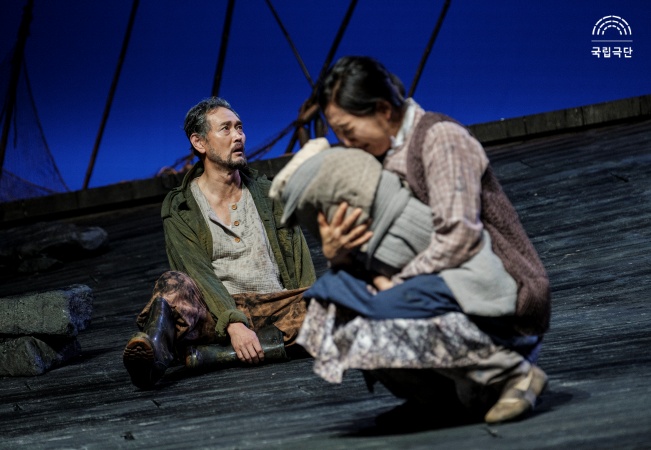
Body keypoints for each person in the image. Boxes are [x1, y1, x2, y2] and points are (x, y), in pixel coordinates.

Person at [295, 56, 551, 426]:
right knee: (332, 297)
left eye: (348, 130)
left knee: (383, 305)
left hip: (491, 285)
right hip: (427, 284)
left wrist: (395, 285)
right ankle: (435, 399)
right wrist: (338, 255)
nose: (346, 143)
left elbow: (459, 238)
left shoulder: (440, 139)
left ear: (383, 110)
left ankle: (511, 372)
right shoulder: (375, 157)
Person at [123, 97, 316, 389]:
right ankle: (153, 356)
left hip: (274, 308)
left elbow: (300, 261)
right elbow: (196, 271)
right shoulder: (181, 206)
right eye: (226, 129)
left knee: (333, 301)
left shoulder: (271, 194)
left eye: (239, 127)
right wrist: (234, 323)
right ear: (199, 142)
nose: (239, 136)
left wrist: (314, 305)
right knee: (172, 284)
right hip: (214, 314)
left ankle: (209, 356)